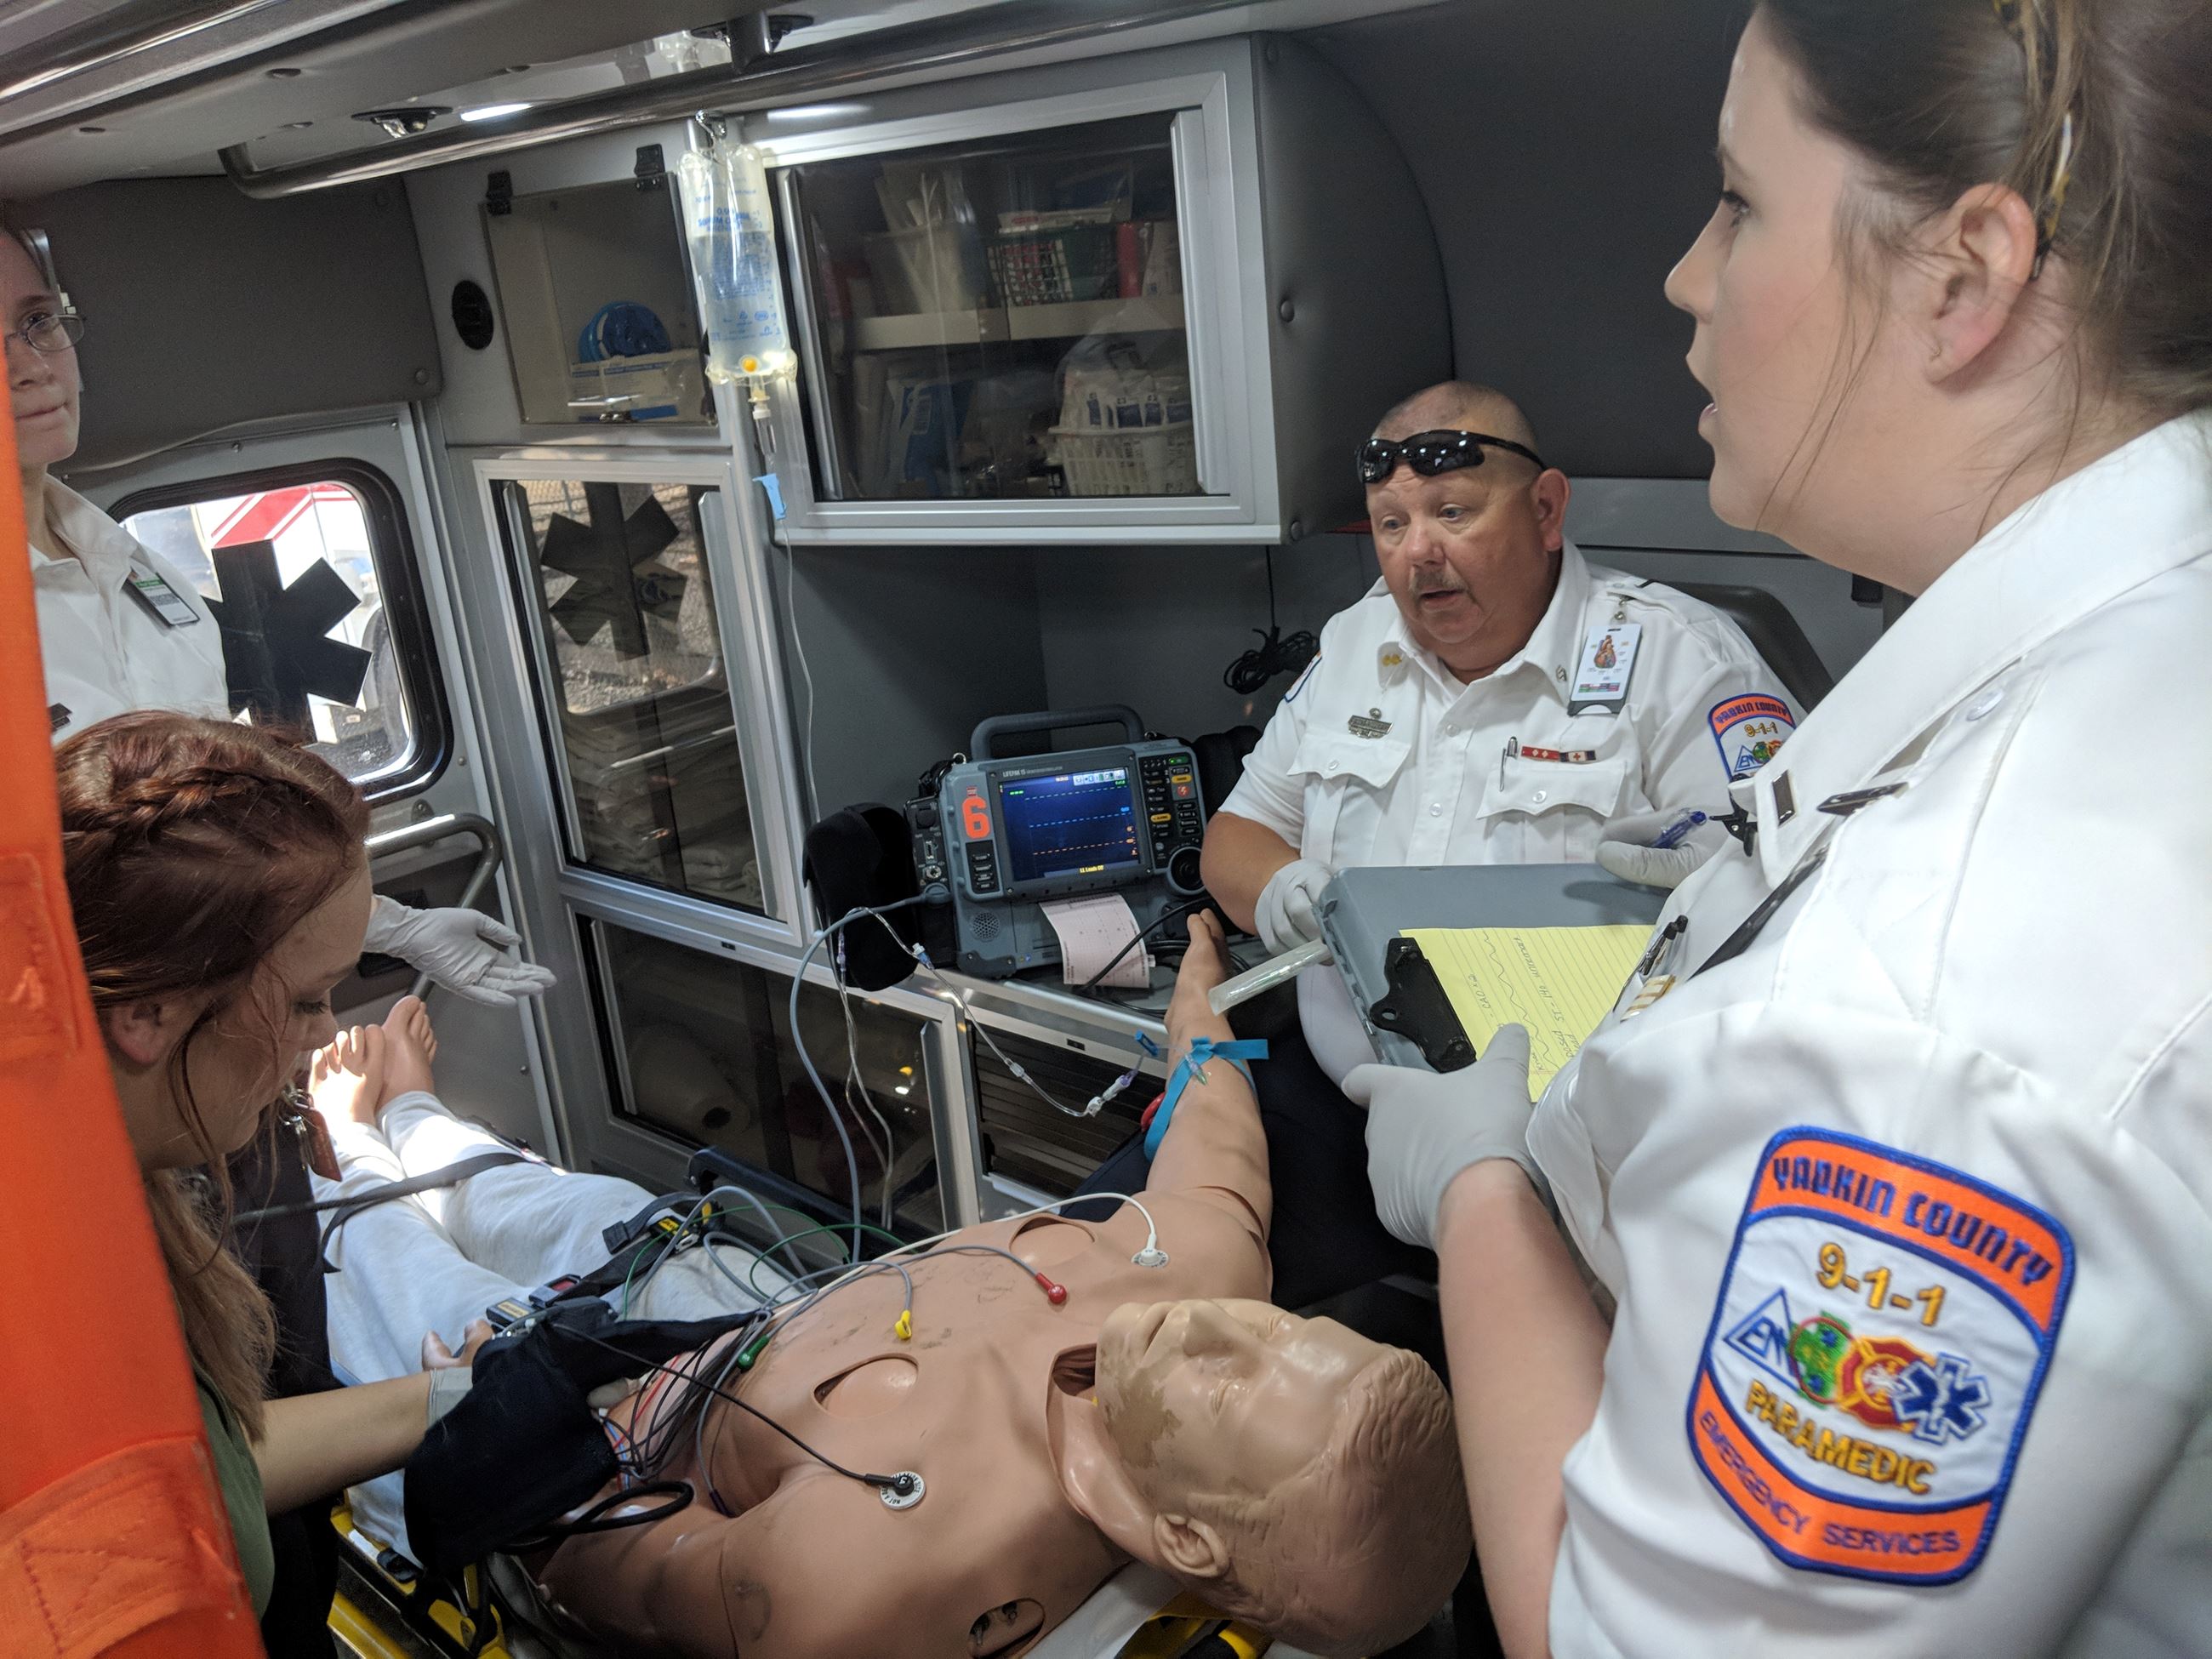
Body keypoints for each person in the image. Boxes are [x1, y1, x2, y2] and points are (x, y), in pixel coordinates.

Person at [1350, 3, 2212, 1655]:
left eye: (1736, 201)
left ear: (1963, 278)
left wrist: (1477, 1191)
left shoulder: (1917, 1037)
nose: (1686, 274)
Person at [305, 915, 1472, 1659]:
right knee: (532, 1191)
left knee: (379, 1251)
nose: (1221, 1324)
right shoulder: (1206, 1276)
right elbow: (1219, 1137)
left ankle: (350, 1150)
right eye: (1281, 1334)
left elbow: (621, 1582)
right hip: (730, 1299)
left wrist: (499, 1416)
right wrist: (1202, 982)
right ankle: (409, 1119)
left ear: (1181, 1538)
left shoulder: (878, 1570)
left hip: (590, 1442)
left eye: (1231, 1380)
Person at [1193, 379, 1794, 1305]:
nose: (1418, 554)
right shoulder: (1357, 644)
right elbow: (1235, 835)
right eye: (1389, 525)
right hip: (1343, 1100)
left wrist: (1716, 881)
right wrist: (1284, 893)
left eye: (1451, 512)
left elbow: (1798, 906)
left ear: (1546, 509)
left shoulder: (1680, 662)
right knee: (1153, 1282)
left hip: (1569, 1148)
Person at [3, 214, 551, 1010]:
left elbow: (208, 837)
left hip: (224, 1026)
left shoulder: (134, 567)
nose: (31, 367)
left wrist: (386, 924)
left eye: (37, 322)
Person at [56, 711, 493, 1623]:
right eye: (304, 1000)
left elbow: (211, 1464)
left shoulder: (106, 1189)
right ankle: (393, 1117)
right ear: (150, 1015)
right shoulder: (54, 1318)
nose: (328, 1033)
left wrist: (462, 1391)